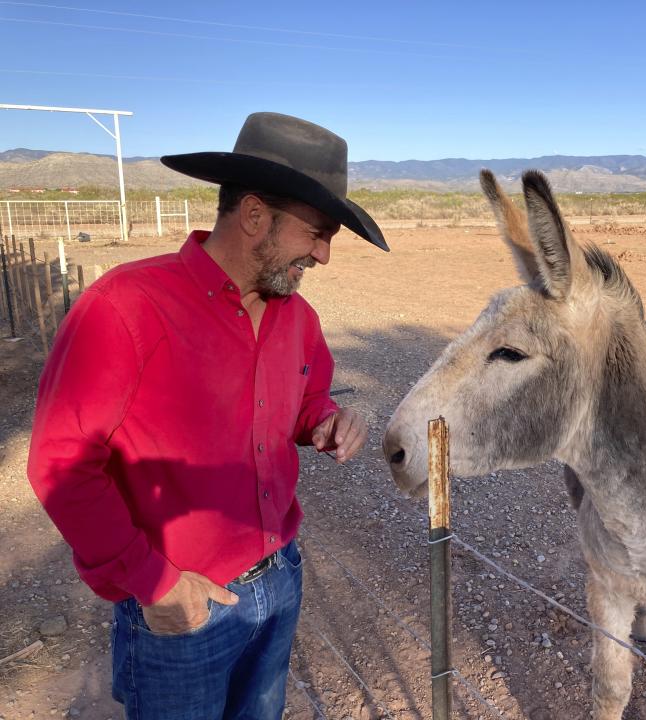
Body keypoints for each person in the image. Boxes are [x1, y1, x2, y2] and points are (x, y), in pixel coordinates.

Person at [27, 112, 389, 719]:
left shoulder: (297, 318)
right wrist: (152, 580)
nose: (324, 256)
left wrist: (326, 420)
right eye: (318, 232)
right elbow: (62, 462)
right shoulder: (125, 307)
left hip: (280, 583)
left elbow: (303, 403)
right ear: (253, 216)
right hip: (183, 607)